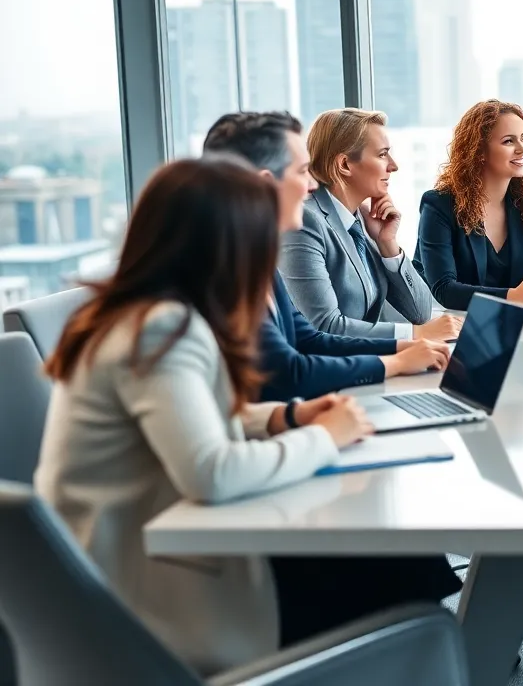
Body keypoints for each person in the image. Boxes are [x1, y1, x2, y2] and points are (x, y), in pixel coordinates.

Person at [36, 158, 386, 675]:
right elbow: (211, 473)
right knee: (385, 580)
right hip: (148, 595)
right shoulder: (158, 329)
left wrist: (285, 418)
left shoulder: (136, 313)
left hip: (122, 563)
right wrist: (324, 439)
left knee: (380, 571)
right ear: (224, 245)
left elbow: (194, 416)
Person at [201, 112, 449, 402]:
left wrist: (387, 243)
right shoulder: (239, 262)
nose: (311, 185)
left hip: (317, 394)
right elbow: (301, 353)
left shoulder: (259, 256)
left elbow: (308, 337)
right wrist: (401, 353)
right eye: (301, 172)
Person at [280, 108, 460, 341]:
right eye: (382, 154)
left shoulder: (360, 221)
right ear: (345, 164)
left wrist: (388, 244)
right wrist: (414, 335)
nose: (393, 166)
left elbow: (421, 312)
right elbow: (323, 326)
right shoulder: (305, 221)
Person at [415, 100, 523, 310]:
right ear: (478, 152)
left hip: (518, 327)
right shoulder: (438, 204)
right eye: (508, 141)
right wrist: (514, 296)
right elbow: (445, 289)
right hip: (453, 329)